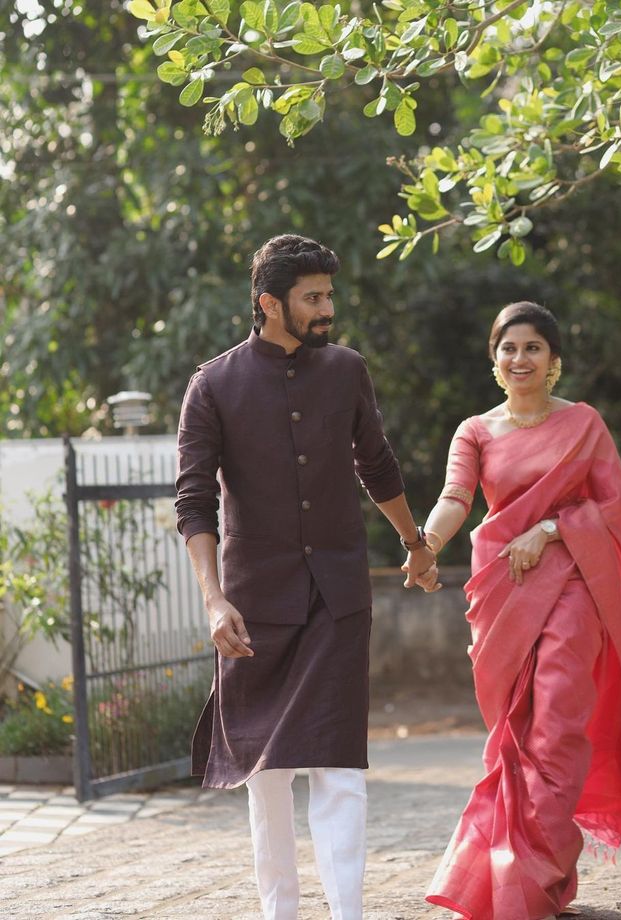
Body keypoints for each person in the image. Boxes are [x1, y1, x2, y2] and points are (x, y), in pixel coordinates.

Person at [174, 234, 438, 920]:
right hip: (254, 605)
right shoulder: (213, 384)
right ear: (269, 303)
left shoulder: (347, 371)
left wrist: (414, 542)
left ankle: (347, 913)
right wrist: (213, 601)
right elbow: (194, 502)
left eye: (329, 295)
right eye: (312, 298)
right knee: (266, 776)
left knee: (341, 767)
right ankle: (280, 913)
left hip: (339, 595)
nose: (327, 309)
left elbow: (375, 464)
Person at [413, 302, 621, 920]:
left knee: (557, 723)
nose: (520, 359)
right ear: (493, 360)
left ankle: (537, 876)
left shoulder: (584, 424)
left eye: (533, 348)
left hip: (576, 583)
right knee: (516, 736)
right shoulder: (475, 430)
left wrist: (552, 528)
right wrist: (425, 544)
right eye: (509, 349)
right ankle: (524, 875)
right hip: (502, 594)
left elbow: (612, 509)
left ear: (554, 361)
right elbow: (456, 498)